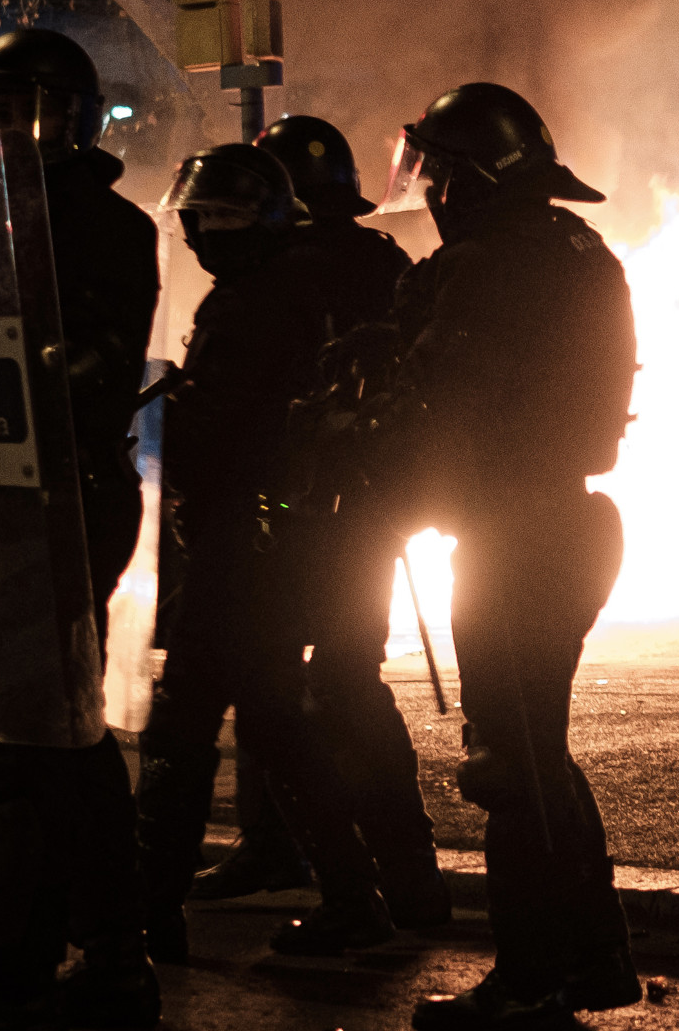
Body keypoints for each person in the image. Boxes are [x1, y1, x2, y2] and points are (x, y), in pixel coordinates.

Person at [0, 27, 160, 1031]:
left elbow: (83, 370)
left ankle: (25, 980)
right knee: (66, 741)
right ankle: (108, 959)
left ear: (66, 112)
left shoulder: (100, 224)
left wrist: (22, 368)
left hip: (68, 498)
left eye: (15, 107)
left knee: (24, 745)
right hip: (11, 499)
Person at [372, 83, 642, 1028]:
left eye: (438, 172)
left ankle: (529, 980)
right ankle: (600, 958)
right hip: (562, 524)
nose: (431, 191)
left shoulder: (489, 266)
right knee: (537, 754)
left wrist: (378, 475)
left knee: (507, 764)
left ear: (473, 178)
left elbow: (437, 397)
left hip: (513, 535)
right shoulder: (577, 249)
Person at [133, 144, 408, 964]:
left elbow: (221, 429)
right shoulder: (288, 289)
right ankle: (356, 898)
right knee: (276, 721)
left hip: (241, 545)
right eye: (194, 219)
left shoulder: (254, 304)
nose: (195, 235)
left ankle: (148, 915)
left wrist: (155, 420)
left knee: (180, 726)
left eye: (209, 220)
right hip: (278, 541)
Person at [186, 116, 450, 929]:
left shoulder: (277, 272)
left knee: (281, 681)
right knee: (334, 682)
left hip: (295, 509)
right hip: (365, 507)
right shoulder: (380, 258)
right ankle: (404, 872)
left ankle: (323, 859)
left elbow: (261, 409)